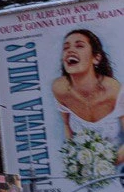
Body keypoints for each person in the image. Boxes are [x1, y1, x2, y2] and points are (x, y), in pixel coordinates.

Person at [52, 29, 124, 162]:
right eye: (66, 47)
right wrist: (76, 162)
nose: (70, 51)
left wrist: (104, 166)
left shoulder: (115, 91)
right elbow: (67, 126)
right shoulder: (59, 89)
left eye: (79, 46)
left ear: (96, 58)